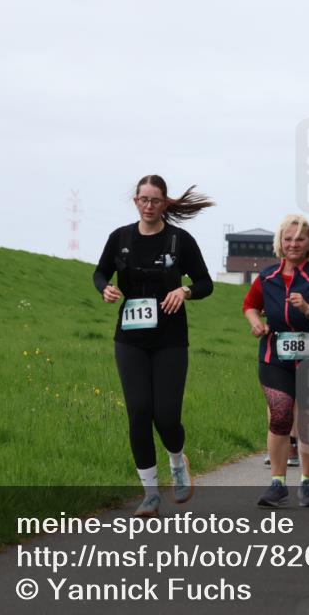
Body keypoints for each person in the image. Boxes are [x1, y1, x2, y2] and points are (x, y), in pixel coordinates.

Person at [93, 174, 214, 517]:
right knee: (139, 412)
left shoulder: (180, 240)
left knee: (166, 415)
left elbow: (205, 282)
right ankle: (149, 493)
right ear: (135, 201)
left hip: (170, 339)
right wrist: (105, 289)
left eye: (155, 201)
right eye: (143, 200)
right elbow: (100, 273)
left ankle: (177, 459)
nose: (148, 206)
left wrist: (185, 290)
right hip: (130, 338)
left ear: (165, 204)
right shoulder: (120, 238)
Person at [243, 215, 309, 508]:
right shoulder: (268, 276)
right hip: (275, 356)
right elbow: (250, 305)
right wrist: (255, 323)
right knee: (281, 414)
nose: (293, 244)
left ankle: (308, 483)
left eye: (300, 239)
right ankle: (277, 483)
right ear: (280, 242)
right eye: (288, 238)